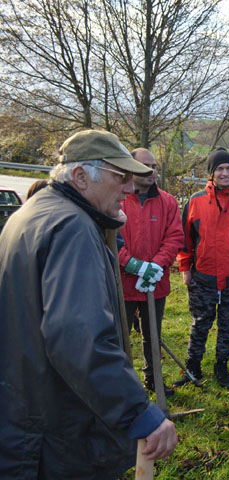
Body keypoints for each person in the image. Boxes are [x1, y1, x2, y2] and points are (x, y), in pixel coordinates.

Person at [0, 130, 177, 478]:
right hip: (56, 428)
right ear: (81, 177)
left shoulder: (29, 215)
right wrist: (139, 413)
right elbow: (77, 337)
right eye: (119, 177)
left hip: (22, 411)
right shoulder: (72, 228)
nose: (128, 188)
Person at [175, 148, 229, 388]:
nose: (225, 173)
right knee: (200, 323)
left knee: (227, 326)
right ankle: (193, 367)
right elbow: (185, 238)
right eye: (219, 169)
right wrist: (185, 266)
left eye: (228, 169)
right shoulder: (196, 200)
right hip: (203, 277)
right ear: (211, 174)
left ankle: (221, 366)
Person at [119, 148, 184, 397]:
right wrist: (133, 265)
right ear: (130, 168)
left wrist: (156, 265)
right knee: (121, 337)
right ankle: (123, 385)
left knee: (152, 336)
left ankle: (154, 379)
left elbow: (175, 236)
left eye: (155, 166)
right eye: (145, 166)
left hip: (155, 283)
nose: (151, 171)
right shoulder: (119, 199)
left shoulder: (167, 201)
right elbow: (112, 239)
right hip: (123, 283)